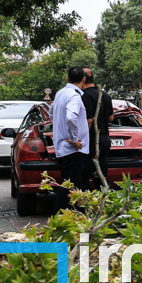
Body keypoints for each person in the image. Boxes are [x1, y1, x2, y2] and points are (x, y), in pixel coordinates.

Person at [50, 66, 90, 210]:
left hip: (62, 147)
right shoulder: (75, 96)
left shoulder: (60, 93)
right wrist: (74, 138)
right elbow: (71, 117)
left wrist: (59, 129)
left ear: (67, 79)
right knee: (70, 188)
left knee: (71, 186)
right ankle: (60, 221)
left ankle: (74, 222)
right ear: (84, 80)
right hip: (73, 150)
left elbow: (51, 113)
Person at [82, 67, 114, 188]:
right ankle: (106, 200)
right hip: (105, 138)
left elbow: (89, 120)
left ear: (83, 79)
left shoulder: (85, 96)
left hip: (93, 140)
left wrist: (80, 138)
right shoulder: (104, 95)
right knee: (101, 174)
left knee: (90, 174)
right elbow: (111, 118)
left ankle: (108, 197)